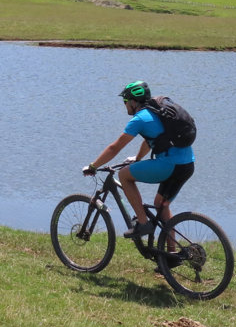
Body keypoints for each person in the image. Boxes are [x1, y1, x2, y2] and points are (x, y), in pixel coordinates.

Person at [83, 81, 196, 239]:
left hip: (169, 165)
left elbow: (115, 147)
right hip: (187, 165)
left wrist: (93, 166)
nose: (124, 105)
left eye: (125, 101)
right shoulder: (157, 112)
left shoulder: (140, 119)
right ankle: (171, 256)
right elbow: (151, 141)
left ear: (133, 101)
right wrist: (137, 159)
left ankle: (143, 223)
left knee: (124, 175)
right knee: (161, 206)